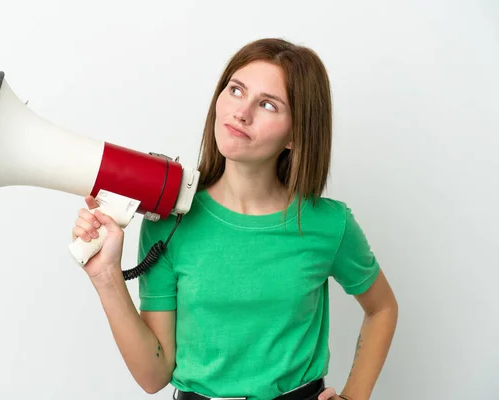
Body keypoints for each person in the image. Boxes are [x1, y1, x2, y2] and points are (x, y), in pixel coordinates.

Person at [72, 38, 398, 400]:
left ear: (296, 134)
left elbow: (382, 307)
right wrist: (106, 277)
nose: (241, 112)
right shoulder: (168, 222)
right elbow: (154, 376)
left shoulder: (329, 224)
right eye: (236, 90)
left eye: (269, 104)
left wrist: (356, 396)